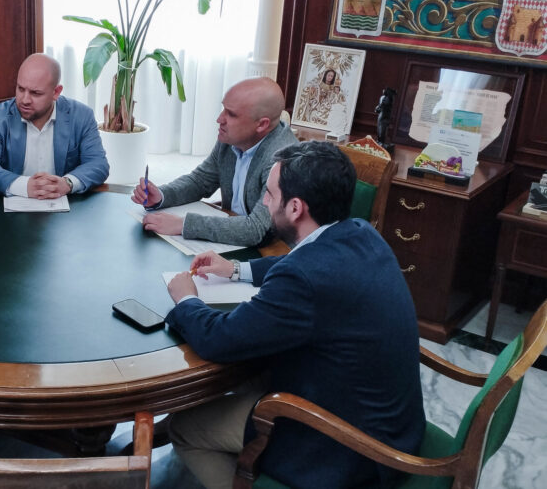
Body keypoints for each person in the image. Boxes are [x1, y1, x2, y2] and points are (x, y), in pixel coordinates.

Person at [164, 141, 425, 489]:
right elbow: (302, 260)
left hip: (349, 450)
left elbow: (219, 340)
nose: (264, 202)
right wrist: (237, 269)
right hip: (394, 427)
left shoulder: (303, 279)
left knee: (185, 428)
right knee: (249, 374)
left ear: (296, 207)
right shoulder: (361, 232)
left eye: (270, 194)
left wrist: (186, 300)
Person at [131, 77, 296, 246]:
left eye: (231, 114)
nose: (220, 119)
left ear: (261, 125)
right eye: (223, 109)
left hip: (273, 250)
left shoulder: (284, 159)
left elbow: (256, 230)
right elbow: (200, 181)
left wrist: (184, 224)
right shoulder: (232, 138)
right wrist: (162, 195)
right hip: (230, 240)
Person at [0, 53, 109, 198]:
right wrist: (24, 186)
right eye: (20, 89)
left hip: (66, 205)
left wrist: (67, 183)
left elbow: (98, 164)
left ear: (56, 92)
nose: (25, 100)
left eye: (35, 93)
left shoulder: (81, 115)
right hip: (13, 204)